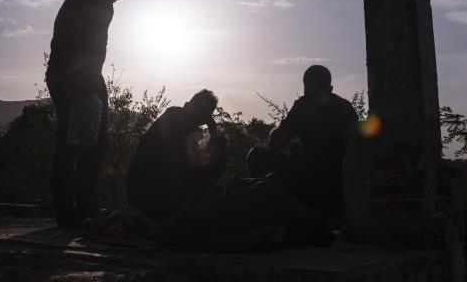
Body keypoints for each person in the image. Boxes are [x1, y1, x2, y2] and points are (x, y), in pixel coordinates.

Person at [47, 0, 140, 226]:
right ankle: (74, 209)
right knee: (77, 144)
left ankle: (78, 206)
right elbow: (85, 42)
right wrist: (86, 84)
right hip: (77, 77)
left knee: (83, 143)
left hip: (77, 75)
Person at [246, 65, 357, 223]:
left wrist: (278, 127)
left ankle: (270, 210)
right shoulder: (346, 107)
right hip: (341, 187)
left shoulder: (306, 104)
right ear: (330, 87)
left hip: (313, 183)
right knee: (295, 150)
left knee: (256, 154)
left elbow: (276, 142)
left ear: (305, 87)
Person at [126, 90, 224, 222]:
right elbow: (204, 172)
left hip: (154, 195)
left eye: (201, 115)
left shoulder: (188, 128)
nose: (196, 116)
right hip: (149, 197)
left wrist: (213, 132)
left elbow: (209, 168)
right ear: (187, 105)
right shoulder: (172, 120)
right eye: (197, 111)